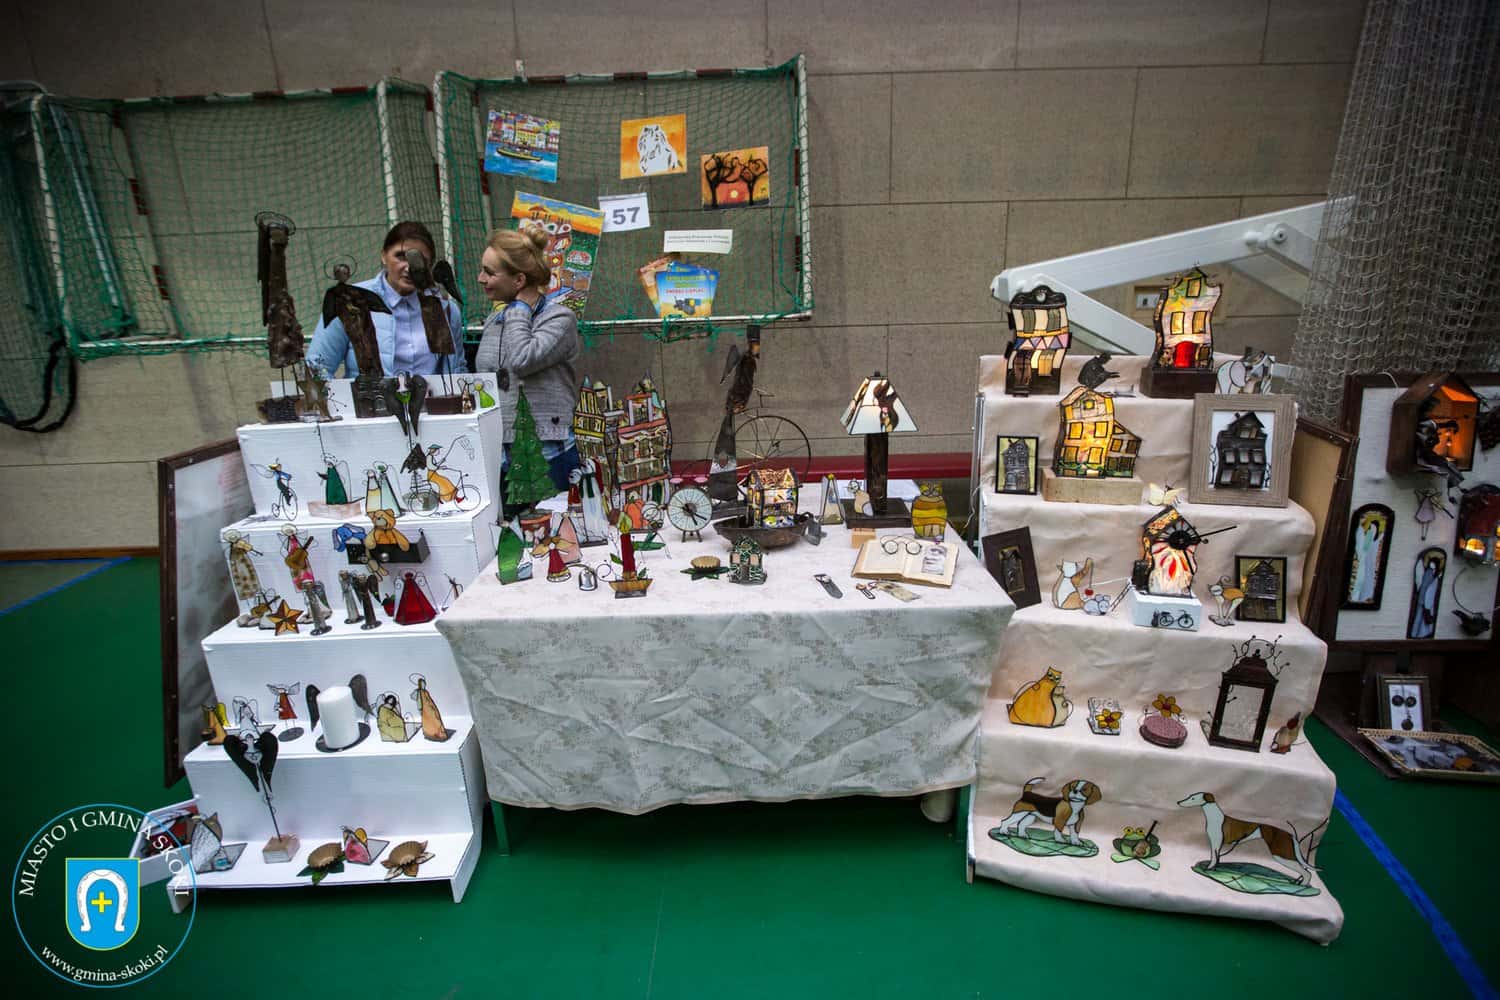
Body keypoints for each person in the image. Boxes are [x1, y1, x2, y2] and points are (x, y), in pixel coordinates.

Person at [474, 225, 581, 493]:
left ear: (519, 280)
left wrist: (521, 308)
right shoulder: (495, 319)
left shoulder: (559, 319)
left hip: (549, 454)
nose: (480, 278)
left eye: (489, 272)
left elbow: (522, 360)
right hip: (504, 454)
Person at [306, 221, 466, 379]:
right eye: (401, 256)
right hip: (368, 397)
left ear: (430, 264)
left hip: (432, 396)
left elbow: (458, 371)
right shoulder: (350, 299)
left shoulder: (447, 310)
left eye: (420, 259)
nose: (409, 267)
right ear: (383, 256)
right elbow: (317, 367)